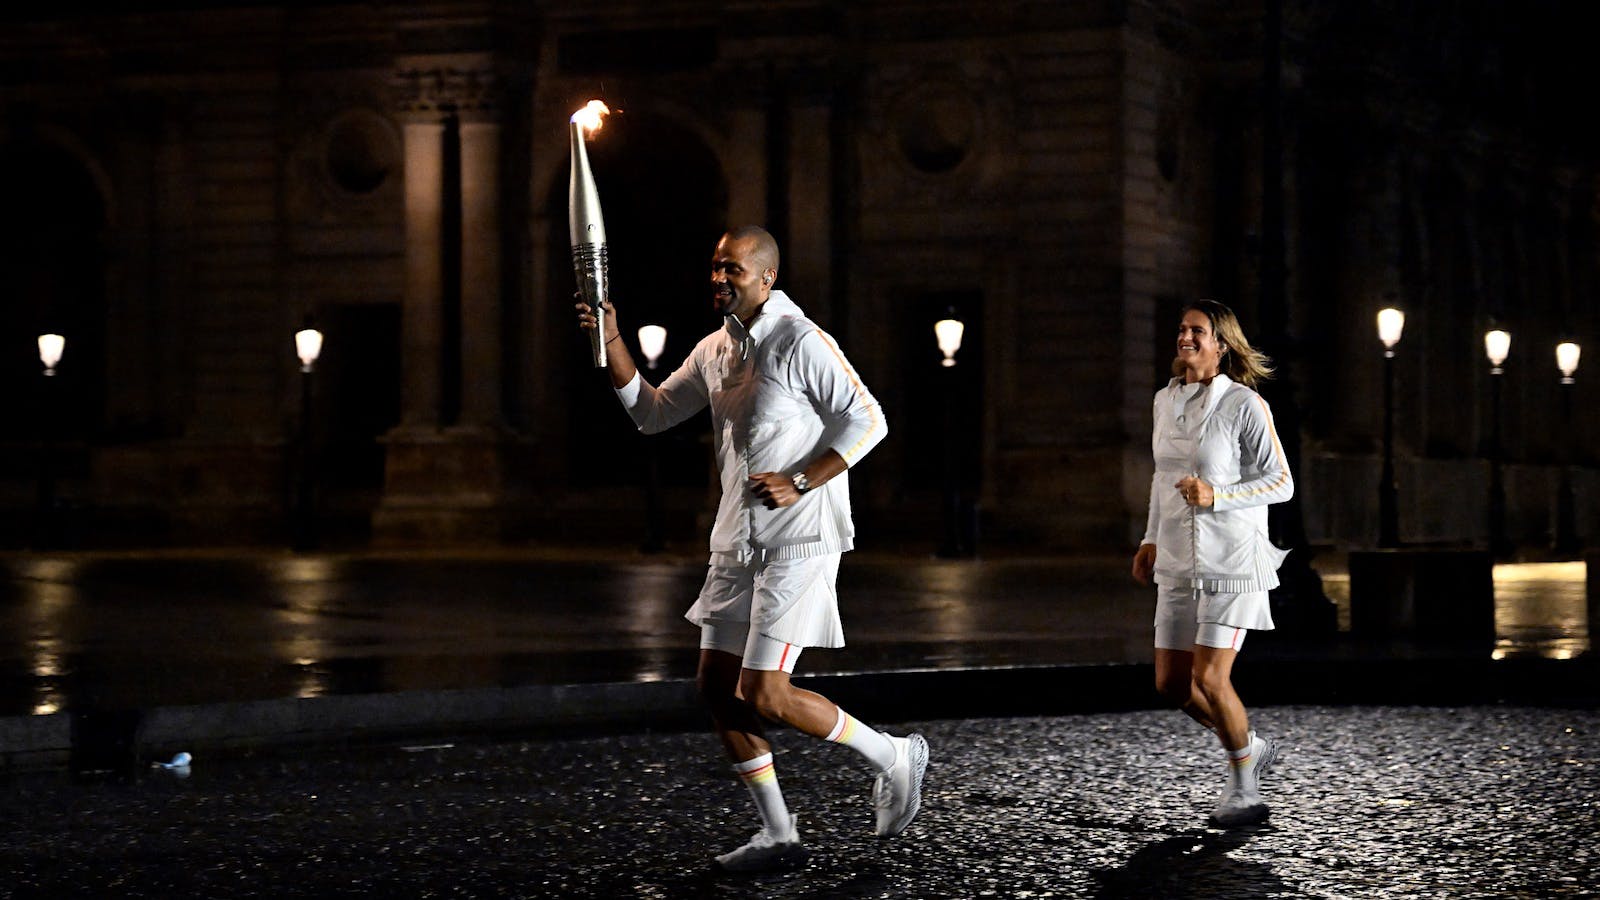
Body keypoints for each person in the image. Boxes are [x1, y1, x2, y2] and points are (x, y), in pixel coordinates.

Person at [576, 225, 928, 872]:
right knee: (716, 687)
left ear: (767, 277)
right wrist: (611, 340)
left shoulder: (801, 341)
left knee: (764, 692)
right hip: (736, 540)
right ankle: (778, 834)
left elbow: (868, 418)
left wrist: (801, 480)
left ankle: (893, 756)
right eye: (715, 267)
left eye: (732, 270)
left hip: (799, 541)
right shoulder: (715, 349)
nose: (719, 278)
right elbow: (651, 413)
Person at [1131, 299, 1293, 827]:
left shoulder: (1244, 404)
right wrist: (1150, 537)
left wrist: (1217, 495)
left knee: (1211, 677)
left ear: (1221, 344)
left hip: (1232, 561)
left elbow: (1282, 483)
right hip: (1178, 559)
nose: (1185, 337)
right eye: (1181, 329)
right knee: (1171, 686)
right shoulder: (1164, 400)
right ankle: (1247, 741)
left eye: (1197, 331)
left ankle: (1245, 788)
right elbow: (1162, 478)